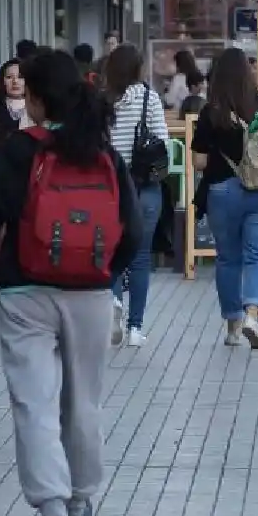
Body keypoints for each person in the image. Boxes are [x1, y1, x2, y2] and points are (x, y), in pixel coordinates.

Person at [0, 50, 142, 516]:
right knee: (83, 401)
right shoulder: (101, 150)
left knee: (34, 405)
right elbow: (134, 229)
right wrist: (105, 270)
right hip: (91, 296)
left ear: (35, 99)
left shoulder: (19, 150)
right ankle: (82, 503)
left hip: (26, 294)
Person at [192, 47, 258, 348]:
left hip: (222, 192)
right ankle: (253, 313)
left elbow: (198, 163)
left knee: (228, 259)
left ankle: (233, 326)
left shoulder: (210, 112)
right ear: (248, 72)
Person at [103, 44, 169, 347]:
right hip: (144, 186)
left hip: (109, 187)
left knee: (112, 254)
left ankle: (113, 303)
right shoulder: (149, 98)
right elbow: (162, 141)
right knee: (141, 258)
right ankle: (135, 328)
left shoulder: (101, 101)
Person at [0, 59, 32, 144]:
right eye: (9, 77)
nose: (15, 81)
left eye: (20, 77)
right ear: (2, 81)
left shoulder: (37, 109)